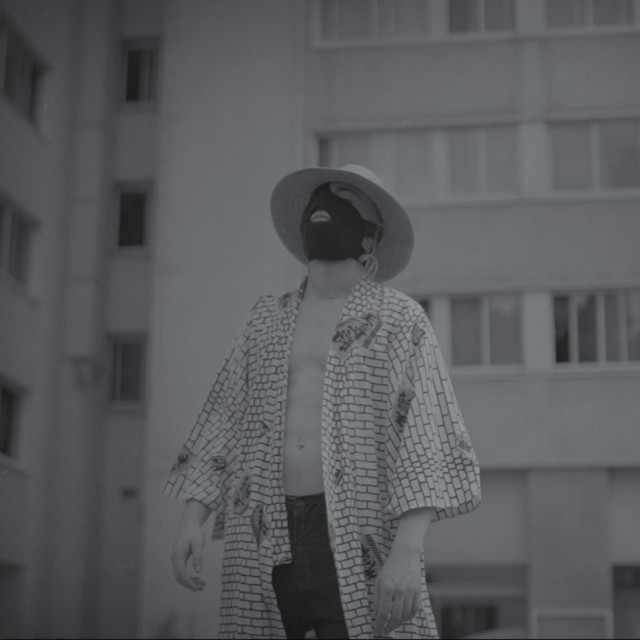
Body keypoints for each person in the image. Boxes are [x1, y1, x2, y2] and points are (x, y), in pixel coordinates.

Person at [164, 164, 481, 639]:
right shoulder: (263, 320)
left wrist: (407, 549)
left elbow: (424, 434)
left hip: (361, 534)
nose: (326, 208)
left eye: (346, 201)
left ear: (370, 235)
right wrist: (194, 516)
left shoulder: (400, 320)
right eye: (321, 198)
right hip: (263, 532)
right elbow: (224, 415)